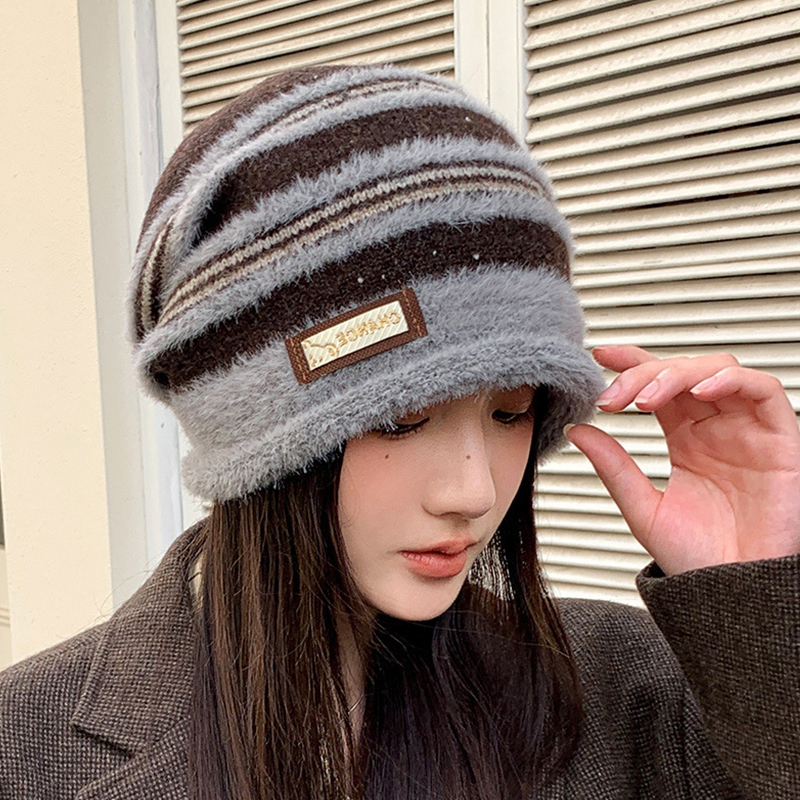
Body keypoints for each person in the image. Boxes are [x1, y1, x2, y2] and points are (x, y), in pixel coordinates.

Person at [0, 64, 798, 800]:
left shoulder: (632, 690)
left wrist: (754, 594)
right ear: (253, 440)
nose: (473, 491)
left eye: (511, 412)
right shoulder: (25, 743)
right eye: (401, 417)